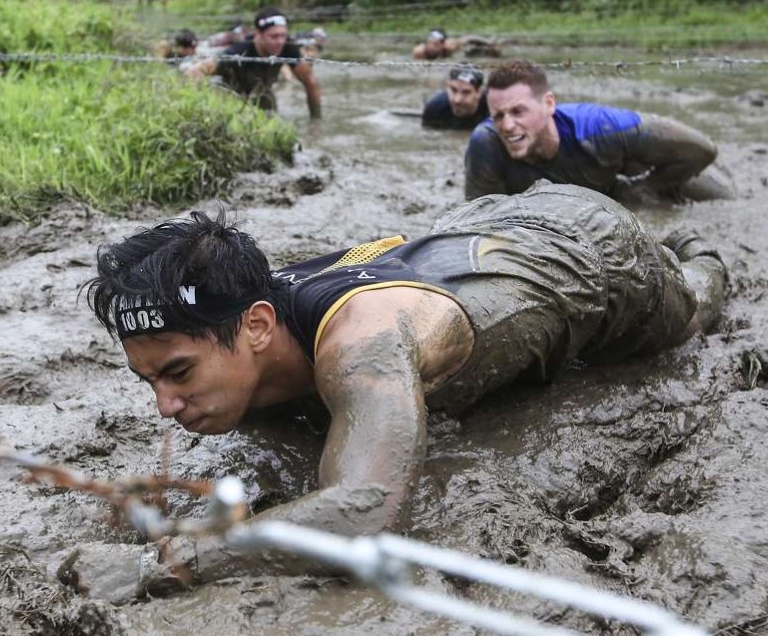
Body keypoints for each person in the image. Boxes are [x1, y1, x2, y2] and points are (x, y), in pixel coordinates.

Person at [74, 181, 727, 600]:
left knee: (692, 313)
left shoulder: (363, 344)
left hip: (587, 246)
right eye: (149, 380)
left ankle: (704, 254)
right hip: (475, 223)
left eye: (179, 373)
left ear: (258, 327)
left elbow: (365, 512)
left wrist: (167, 564)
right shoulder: (252, 320)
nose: (165, 406)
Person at [465, 59, 736, 203]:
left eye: (518, 112)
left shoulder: (601, 127)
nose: (507, 126)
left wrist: (640, 192)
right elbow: (479, 218)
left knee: (726, 199)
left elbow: (701, 149)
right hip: (581, 200)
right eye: (498, 115)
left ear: (548, 104)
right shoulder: (486, 143)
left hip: (629, 171)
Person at [185, 7, 322, 119]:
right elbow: (194, 72)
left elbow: (311, 82)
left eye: (283, 35)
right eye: (274, 36)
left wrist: (316, 122)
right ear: (258, 34)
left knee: (272, 116)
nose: (280, 41)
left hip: (262, 91)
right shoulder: (240, 50)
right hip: (232, 92)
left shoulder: (288, 48)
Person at [421, 66, 490, 130]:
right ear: (447, 86)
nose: (457, 100)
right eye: (454, 90)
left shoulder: (491, 109)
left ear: (479, 92)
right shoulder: (435, 109)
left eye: (466, 92)